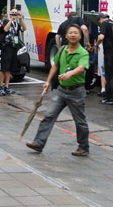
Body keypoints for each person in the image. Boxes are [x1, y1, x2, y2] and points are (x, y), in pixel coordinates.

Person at [26, 23, 90, 156]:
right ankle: (38, 143)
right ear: (66, 35)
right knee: (49, 115)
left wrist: (69, 74)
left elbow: (81, 68)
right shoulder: (62, 50)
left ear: (80, 36)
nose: (72, 35)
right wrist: (48, 82)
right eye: (70, 33)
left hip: (76, 92)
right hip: (61, 90)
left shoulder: (83, 52)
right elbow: (55, 66)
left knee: (80, 121)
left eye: (75, 33)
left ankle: (83, 147)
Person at [94, 12, 113, 105]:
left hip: (109, 53)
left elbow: (101, 37)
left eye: (99, 21)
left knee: (109, 76)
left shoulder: (104, 24)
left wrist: (96, 44)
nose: (99, 22)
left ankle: (109, 98)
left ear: (101, 19)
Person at [0, 7, 26, 96]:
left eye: (15, 13)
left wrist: (21, 19)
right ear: (9, 14)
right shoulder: (6, 21)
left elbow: (24, 28)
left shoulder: (17, 24)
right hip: (6, 47)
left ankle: (6, 86)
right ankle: (1, 86)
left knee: (9, 68)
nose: (14, 14)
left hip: (14, 47)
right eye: (12, 13)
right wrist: (11, 19)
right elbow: (5, 30)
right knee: (4, 68)